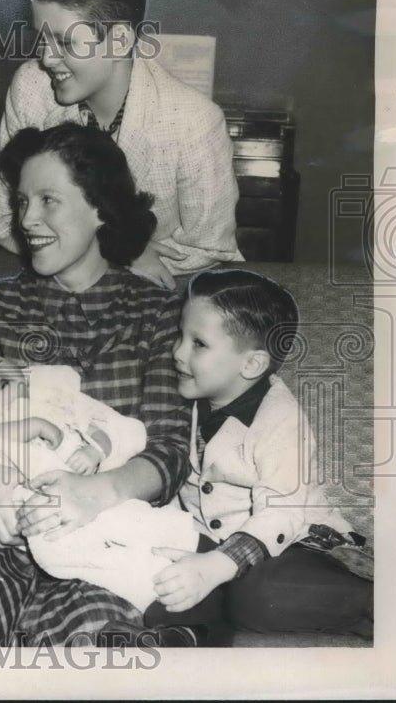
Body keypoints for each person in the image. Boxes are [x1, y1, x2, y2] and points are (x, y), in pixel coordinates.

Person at [0, 122, 192, 646]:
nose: (27, 220)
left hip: (103, 539)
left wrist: (96, 490)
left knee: (97, 640)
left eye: (48, 201)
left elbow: (172, 449)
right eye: (21, 202)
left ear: (100, 207)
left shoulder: (158, 313)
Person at [110, 269, 373, 643]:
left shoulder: (280, 419)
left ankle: (375, 605)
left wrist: (218, 566)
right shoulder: (186, 398)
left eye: (198, 344)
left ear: (251, 364)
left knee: (261, 595)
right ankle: (192, 637)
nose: (177, 353)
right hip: (210, 538)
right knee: (161, 574)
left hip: (292, 541)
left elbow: (281, 513)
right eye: (179, 336)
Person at [0, 0, 242, 288]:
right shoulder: (30, 89)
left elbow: (209, 250)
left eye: (64, 42)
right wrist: (123, 249)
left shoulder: (195, 124)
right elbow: (3, 220)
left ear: (119, 39)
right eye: (41, 37)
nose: (45, 57)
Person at [0, 363, 198, 612]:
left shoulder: (58, 398)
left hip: (96, 491)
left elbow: (101, 425)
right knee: (54, 551)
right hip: (42, 510)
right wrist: (37, 425)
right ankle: (149, 589)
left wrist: (95, 451)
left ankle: (189, 544)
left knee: (132, 520)